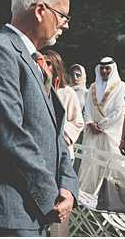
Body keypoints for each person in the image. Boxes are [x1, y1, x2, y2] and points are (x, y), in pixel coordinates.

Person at [0, 0, 78, 237]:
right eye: (62, 15)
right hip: (7, 213)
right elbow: (10, 136)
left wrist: (68, 187)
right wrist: (51, 196)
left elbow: (55, 135)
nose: (65, 24)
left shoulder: (33, 60)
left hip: (31, 212)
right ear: (40, 11)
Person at [42, 50, 84, 237]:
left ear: (57, 67)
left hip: (62, 152)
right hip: (42, 154)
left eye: (50, 64)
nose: (46, 67)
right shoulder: (37, 87)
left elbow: (78, 122)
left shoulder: (68, 93)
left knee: (61, 195)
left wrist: (61, 134)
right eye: (45, 62)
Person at [78, 57, 125, 195]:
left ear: (113, 69)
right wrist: (89, 123)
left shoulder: (121, 87)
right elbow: (87, 108)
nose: (104, 71)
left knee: (113, 164)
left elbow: (120, 111)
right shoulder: (93, 87)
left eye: (107, 68)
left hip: (110, 133)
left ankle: (116, 198)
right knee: (91, 164)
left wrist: (101, 126)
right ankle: (87, 194)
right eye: (102, 68)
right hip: (93, 132)